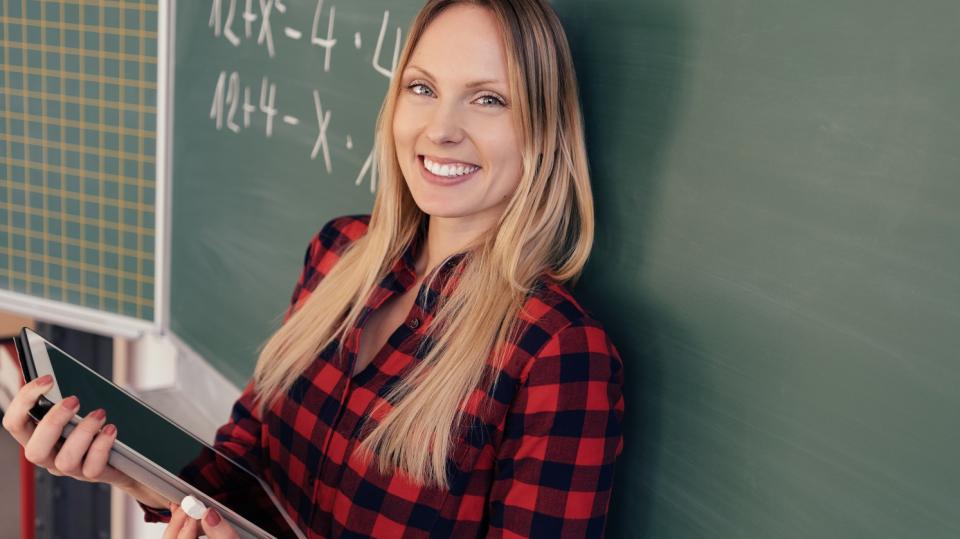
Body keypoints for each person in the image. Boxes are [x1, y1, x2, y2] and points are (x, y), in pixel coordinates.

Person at [2, 0, 625, 536]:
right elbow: (246, 466)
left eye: (489, 99)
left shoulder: (557, 353)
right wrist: (120, 468)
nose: (441, 129)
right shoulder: (340, 253)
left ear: (543, 131)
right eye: (422, 88)